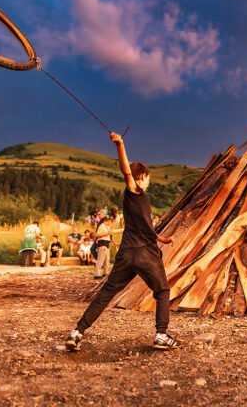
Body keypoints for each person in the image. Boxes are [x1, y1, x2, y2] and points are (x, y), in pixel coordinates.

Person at [65, 131, 179, 351]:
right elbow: (126, 171)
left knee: (107, 292)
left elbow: (144, 227)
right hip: (145, 254)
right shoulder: (134, 190)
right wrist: (120, 144)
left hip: (127, 254)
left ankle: (77, 332)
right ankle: (161, 335)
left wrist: (161, 237)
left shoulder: (140, 201)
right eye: (148, 179)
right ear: (142, 177)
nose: (148, 183)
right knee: (163, 291)